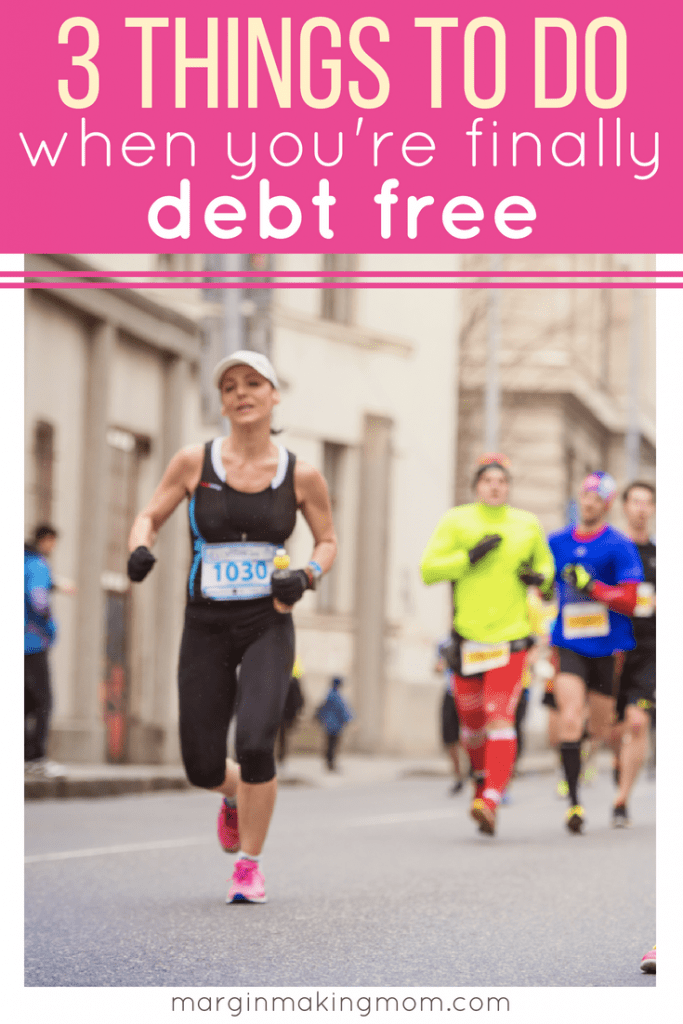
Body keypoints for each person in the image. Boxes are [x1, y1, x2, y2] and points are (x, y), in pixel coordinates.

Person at [127, 350, 337, 904]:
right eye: (229, 387)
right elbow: (150, 514)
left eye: (252, 383)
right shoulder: (194, 463)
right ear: (221, 402)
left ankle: (249, 865)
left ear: (273, 395)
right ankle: (231, 796)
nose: (240, 393)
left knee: (254, 742)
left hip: (268, 620)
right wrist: (140, 548)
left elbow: (328, 540)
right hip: (206, 623)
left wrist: (309, 575)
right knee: (199, 763)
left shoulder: (302, 474)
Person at [420, 454, 555, 836]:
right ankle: (481, 783)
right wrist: (470, 556)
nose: (495, 486)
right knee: (473, 728)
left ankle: (492, 797)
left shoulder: (527, 524)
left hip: (510, 640)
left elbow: (548, 576)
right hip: (467, 640)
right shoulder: (457, 521)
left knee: (500, 718)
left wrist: (537, 578)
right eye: (488, 480)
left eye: (502, 481)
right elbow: (429, 569)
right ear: (477, 487)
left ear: (508, 487)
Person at [548, 472, 643, 834]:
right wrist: (534, 580)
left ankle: (584, 753)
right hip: (568, 642)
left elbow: (631, 600)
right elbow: (544, 585)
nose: (588, 502)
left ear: (606, 504)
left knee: (601, 728)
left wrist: (595, 586)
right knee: (570, 716)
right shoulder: (556, 541)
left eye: (596, 498)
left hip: (606, 647)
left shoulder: (619, 545)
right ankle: (574, 803)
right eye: (584, 495)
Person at [610, 482, 656, 827]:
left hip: (650, 651)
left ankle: (621, 801)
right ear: (625, 507)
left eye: (647, 502)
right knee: (611, 727)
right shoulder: (612, 549)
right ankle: (618, 760)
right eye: (635, 501)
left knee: (638, 724)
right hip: (611, 648)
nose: (641, 508)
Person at [24, 526, 64, 778]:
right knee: (44, 702)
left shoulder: (23, 562)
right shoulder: (38, 564)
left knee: (26, 701)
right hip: (33, 642)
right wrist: (50, 628)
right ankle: (35, 757)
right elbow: (38, 599)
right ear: (47, 540)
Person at [436, 638, 465, 794]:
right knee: (450, 737)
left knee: (472, 734)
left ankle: (476, 771)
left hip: (471, 692)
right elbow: (437, 667)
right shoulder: (444, 643)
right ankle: (458, 775)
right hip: (451, 692)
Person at [315, 677, 354, 771]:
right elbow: (343, 710)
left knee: (329, 744)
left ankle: (328, 763)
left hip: (328, 724)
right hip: (336, 726)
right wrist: (349, 720)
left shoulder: (328, 695)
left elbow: (322, 709)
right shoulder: (338, 696)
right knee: (333, 745)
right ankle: (331, 764)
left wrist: (320, 719)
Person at [276, 657, 305, 765]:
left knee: (280, 736)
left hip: (280, 712)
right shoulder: (293, 681)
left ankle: (280, 756)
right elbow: (299, 699)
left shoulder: (278, 680)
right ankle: (281, 756)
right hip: (286, 713)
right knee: (283, 737)